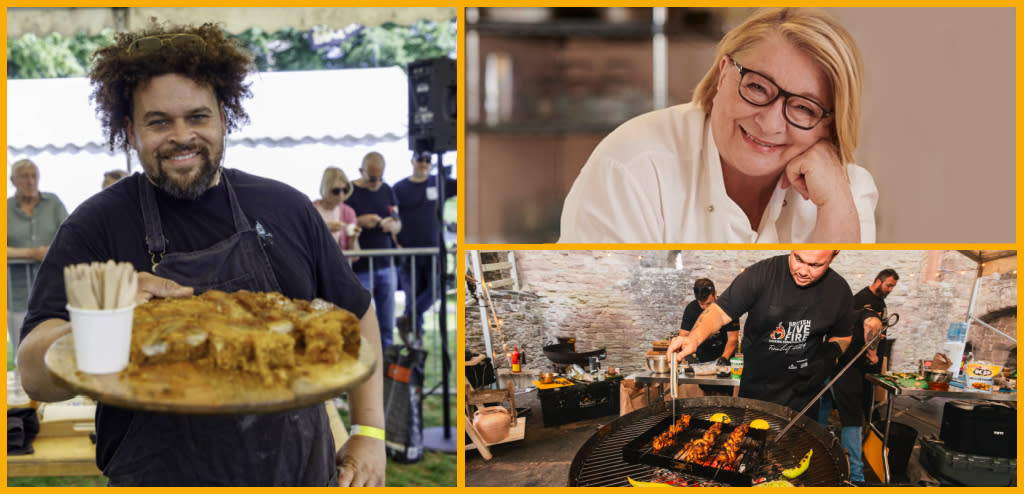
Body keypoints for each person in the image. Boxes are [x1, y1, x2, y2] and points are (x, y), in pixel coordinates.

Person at [16, 22, 385, 487]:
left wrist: (368, 432)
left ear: (224, 119)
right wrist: (102, 322)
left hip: (295, 472)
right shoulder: (94, 226)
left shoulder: (285, 207)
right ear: (130, 131)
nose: (181, 136)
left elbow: (359, 313)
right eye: (159, 122)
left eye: (197, 117)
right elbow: (33, 374)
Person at [560, 8, 877, 243]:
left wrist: (836, 205)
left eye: (804, 108)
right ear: (724, 72)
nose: (769, 122)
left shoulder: (846, 190)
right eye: (756, 87)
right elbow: (603, 316)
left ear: (829, 125)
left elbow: (840, 317)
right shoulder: (631, 167)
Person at [667, 251, 854, 418]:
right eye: (798, 259)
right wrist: (694, 338)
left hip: (803, 396)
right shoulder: (761, 274)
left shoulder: (839, 290)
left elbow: (843, 336)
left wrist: (831, 356)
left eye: (815, 265)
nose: (804, 271)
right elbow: (720, 311)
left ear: (834, 255)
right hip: (757, 390)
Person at [393, 150, 457, 344]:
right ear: (412, 160)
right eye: (421, 159)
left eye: (428, 160)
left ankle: (408, 319)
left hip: (434, 251)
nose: (424, 163)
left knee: (437, 288)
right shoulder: (399, 188)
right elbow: (393, 218)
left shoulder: (439, 182)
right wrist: (396, 245)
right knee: (412, 295)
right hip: (408, 253)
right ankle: (415, 342)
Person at [7, 158, 68, 354]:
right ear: (12, 180)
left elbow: (69, 236)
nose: (30, 181)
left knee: (56, 349)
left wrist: (49, 252)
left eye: (34, 176)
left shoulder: (53, 202)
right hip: (16, 293)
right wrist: (31, 254)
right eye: (24, 176)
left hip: (53, 291)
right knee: (22, 350)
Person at [345, 151, 401, 350]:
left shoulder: (387, 190)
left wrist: (392, 225)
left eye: (379, 178)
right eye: (371, 178)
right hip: (360, 267)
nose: (376, 182)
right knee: (363, 319)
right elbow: (340, 221)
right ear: (361, 171)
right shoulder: (349, 191)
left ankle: (387, 364)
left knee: (387, 320)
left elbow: (397, 220)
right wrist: (360, 221)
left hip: (386, 264)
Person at [678, 278, 739, 396]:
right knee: (707, 398)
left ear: (715, 294)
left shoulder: (728, 307)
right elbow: (683, 335)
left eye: (709, 304)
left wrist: (723, 358)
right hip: (702, 361)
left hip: (724, 359)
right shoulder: (691, 309)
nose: (706, 308)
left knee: (724, 398)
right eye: (702, 304)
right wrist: (689, 356)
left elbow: (733, 338)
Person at [314, 166, 361, 252]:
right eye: (336, 191)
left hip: (338, 263)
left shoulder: (348, 212)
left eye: (345, 190)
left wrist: (354, 239)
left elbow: (355, 256)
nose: (341, 195)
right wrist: (324, 230)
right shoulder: (311, 210)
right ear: (326, 189)